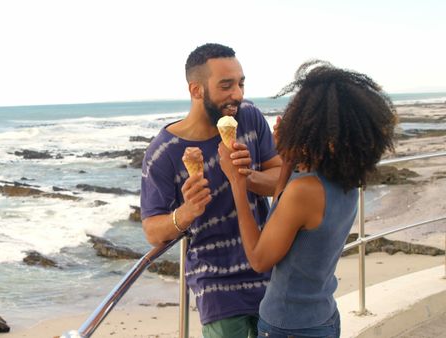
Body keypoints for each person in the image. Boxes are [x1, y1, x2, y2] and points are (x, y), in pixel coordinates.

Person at [218, 60, 397, 338]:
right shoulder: (346, 180)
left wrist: (237, 183)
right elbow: (284, 213)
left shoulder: (305, 191)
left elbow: (258, 258)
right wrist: (287, 163)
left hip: (288, 325)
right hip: (322, 316)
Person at [140, 43, 282, 338]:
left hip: (271, 271)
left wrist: (247, 176)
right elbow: (153, 231)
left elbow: (281, 177)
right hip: (217, 288)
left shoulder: (249, 116)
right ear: (196, 90)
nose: (238, 95)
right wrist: (186, 212)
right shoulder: (163, 152)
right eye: (226, 86)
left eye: (241, 83)